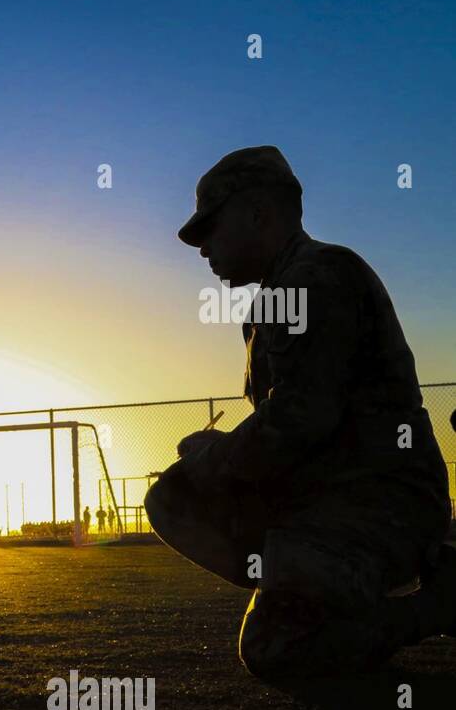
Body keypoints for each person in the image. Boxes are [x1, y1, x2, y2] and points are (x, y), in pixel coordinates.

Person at [145, 145, 455, 678]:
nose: (202, 250)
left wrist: (216, 455)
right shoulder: (280, 295)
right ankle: (307, 577)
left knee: (276, 647)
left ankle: (435, 602)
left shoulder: (314, 278)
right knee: (179, 497)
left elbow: (301, 417)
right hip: (334, 499)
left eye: (211, 228)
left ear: (258, 213)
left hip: (382, 503)